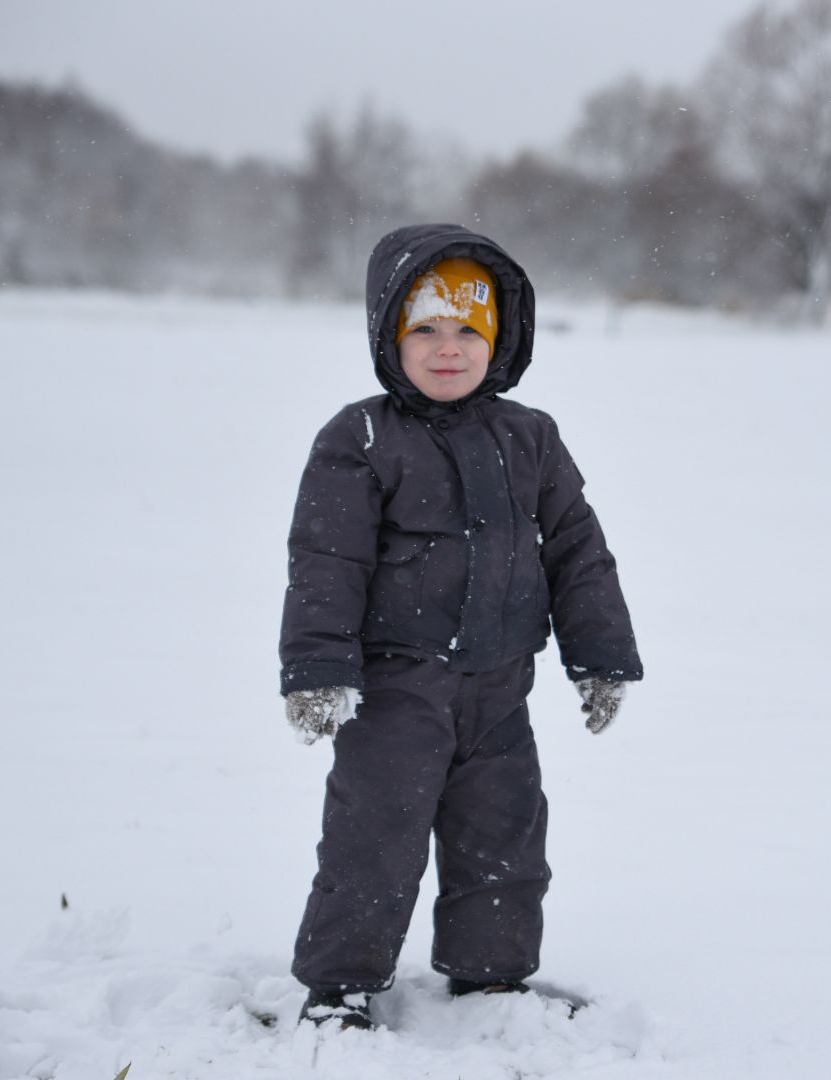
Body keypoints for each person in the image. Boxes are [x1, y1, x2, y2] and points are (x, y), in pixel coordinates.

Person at [279, 223, 643, 1032]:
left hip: (499, 690)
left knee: (506, 840)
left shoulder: (531, 438)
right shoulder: (360, 438)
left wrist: (601, 655)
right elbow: (326, 561)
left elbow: (577, 549)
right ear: (388, 335)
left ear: (500, 337)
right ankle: (340, 985)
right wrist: (318, 670)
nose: (449, 349)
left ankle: (492, 979)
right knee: (373, 839)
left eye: (468, 331)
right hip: (395, 690)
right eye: (425, 330)